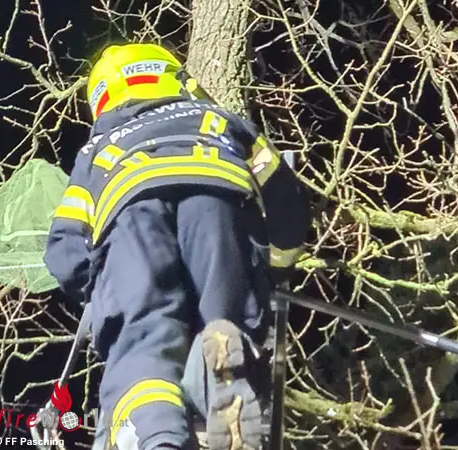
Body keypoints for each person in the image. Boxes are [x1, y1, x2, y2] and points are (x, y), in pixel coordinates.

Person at [43, 42, 310, 450]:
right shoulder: (220, 119)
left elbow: (64, 247)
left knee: (143, 343)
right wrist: (273, 268)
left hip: (134, 219)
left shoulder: (98, 149)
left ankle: (154, 434)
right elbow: (286, 198)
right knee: (224, 323)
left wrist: (101, 292)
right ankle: (221, 377)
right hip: (222, 208)